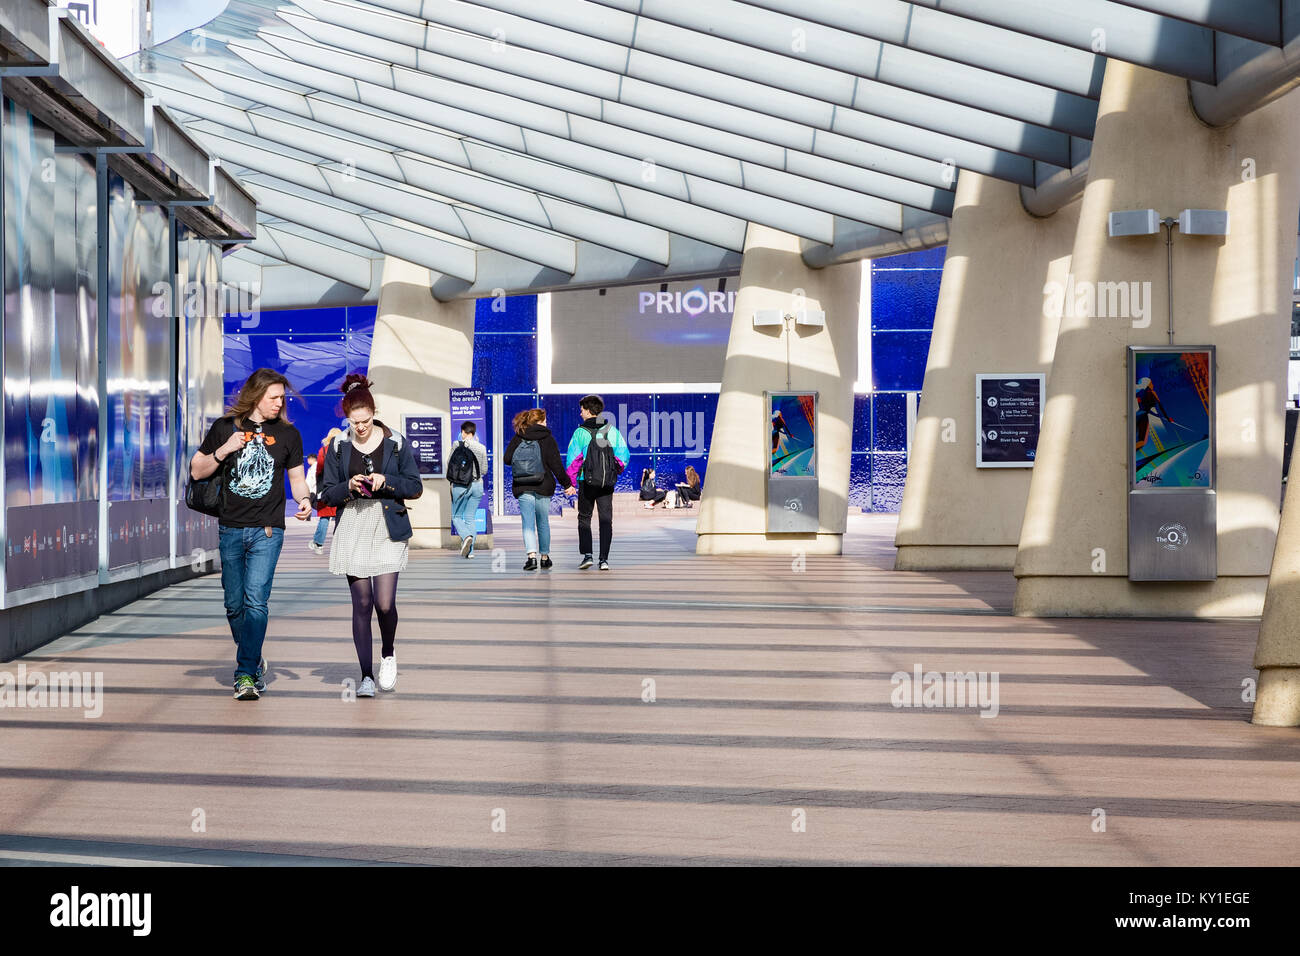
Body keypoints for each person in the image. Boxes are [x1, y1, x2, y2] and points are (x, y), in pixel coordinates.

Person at [191, 368, 310, 701]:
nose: (279, 404)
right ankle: (254, 659)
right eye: (273, 397)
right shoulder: (224, 428)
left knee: (256, 601)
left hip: (268, 530)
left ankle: (244, 675)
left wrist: (304, 499)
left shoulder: (288, 434)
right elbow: (196, 469)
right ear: (256, 396)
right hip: (230, 527)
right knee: (233, 604)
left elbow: (297, 478)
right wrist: (224, 449)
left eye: (282, 398)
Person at [318, 374, 423, 697]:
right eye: (353, 421)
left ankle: (388, 654)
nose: (360, 427)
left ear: (373, 412)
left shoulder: (396, 442)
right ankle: (366, 676)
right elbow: (325, 494)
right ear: (346, 417)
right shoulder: (338, 445)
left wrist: (385, 481)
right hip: (353, 524)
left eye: (364, 421)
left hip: (387, 524)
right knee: (361, 604)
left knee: (384, 602)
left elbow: (414, 487)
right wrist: (348, 487)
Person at [504, 408, 576, 570]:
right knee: (543, 522)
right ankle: (544, 557)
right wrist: (567, 485)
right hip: (543, 485)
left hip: (523, 485)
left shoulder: (519, 437)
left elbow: (507, 459)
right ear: (541, 421)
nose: (547, 422)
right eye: (545, 419)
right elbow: (556, 465)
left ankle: (531, 558)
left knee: (528, 523)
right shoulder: (547, 438)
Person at [565, 394, 630, 571]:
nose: (580, 414)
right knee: (606, 520)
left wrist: (570, 483)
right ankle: (604, 560)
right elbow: (624, 456)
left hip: (586, 481)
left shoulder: (580, 432)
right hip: (607, 483)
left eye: (581, 410)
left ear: (587, 410)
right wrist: (613, 471)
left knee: (584, 517)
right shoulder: (612, 431)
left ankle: (587, 556)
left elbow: (573, 460)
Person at [448, 421, 488, 558]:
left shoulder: (457, 445)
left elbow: (450, 463)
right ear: (474, 432)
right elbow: (484, 469)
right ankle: (470, 552)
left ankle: (466, 537)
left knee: (456, 516)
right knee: (470, 517)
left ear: (463, 432)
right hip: (477, 485)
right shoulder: (482, 448)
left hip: (461, 486)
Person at [310, 427, 344, 553]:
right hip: (341, 486)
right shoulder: (344, 449)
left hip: (326, 486)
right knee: (341, 516)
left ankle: (318, 544)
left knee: (325, 516)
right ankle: (339, 545)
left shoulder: (323, 450)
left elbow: (319, 469)